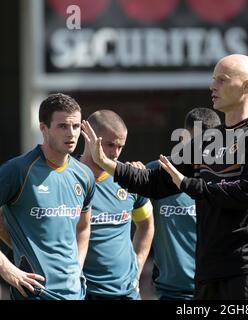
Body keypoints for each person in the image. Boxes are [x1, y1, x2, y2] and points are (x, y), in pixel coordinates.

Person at [82, 54, 248, 300]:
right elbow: (156, 183)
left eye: (222, 80)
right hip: (207, 274)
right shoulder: (208, 140)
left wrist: (188, 184)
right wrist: (107, 164)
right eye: (213, 80)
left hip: (247, 271)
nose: (213, 86)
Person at [0, 93, 94, 300]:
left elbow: (83, 227)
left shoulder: (85, 175)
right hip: (34, 293)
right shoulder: (17, 171)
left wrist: (76, 268)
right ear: (43, 128)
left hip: (75, 294)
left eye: (76, 126)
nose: (71, 134)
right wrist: (7, 270)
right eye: (63, 126)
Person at [145, 108, 221, 300]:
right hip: (169, 293)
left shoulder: (227, 180)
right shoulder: (157, 173)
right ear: (182, 140)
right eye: (194, 143)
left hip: (215, 290)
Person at [80, 110, 154, 300]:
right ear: (88, 137)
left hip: (127, 293)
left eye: (120, 146)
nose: (115, 153)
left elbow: (146, 225)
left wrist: (136, 270)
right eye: (109, 145)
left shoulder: (128, 177)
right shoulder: (67, 177)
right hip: (84, 292)